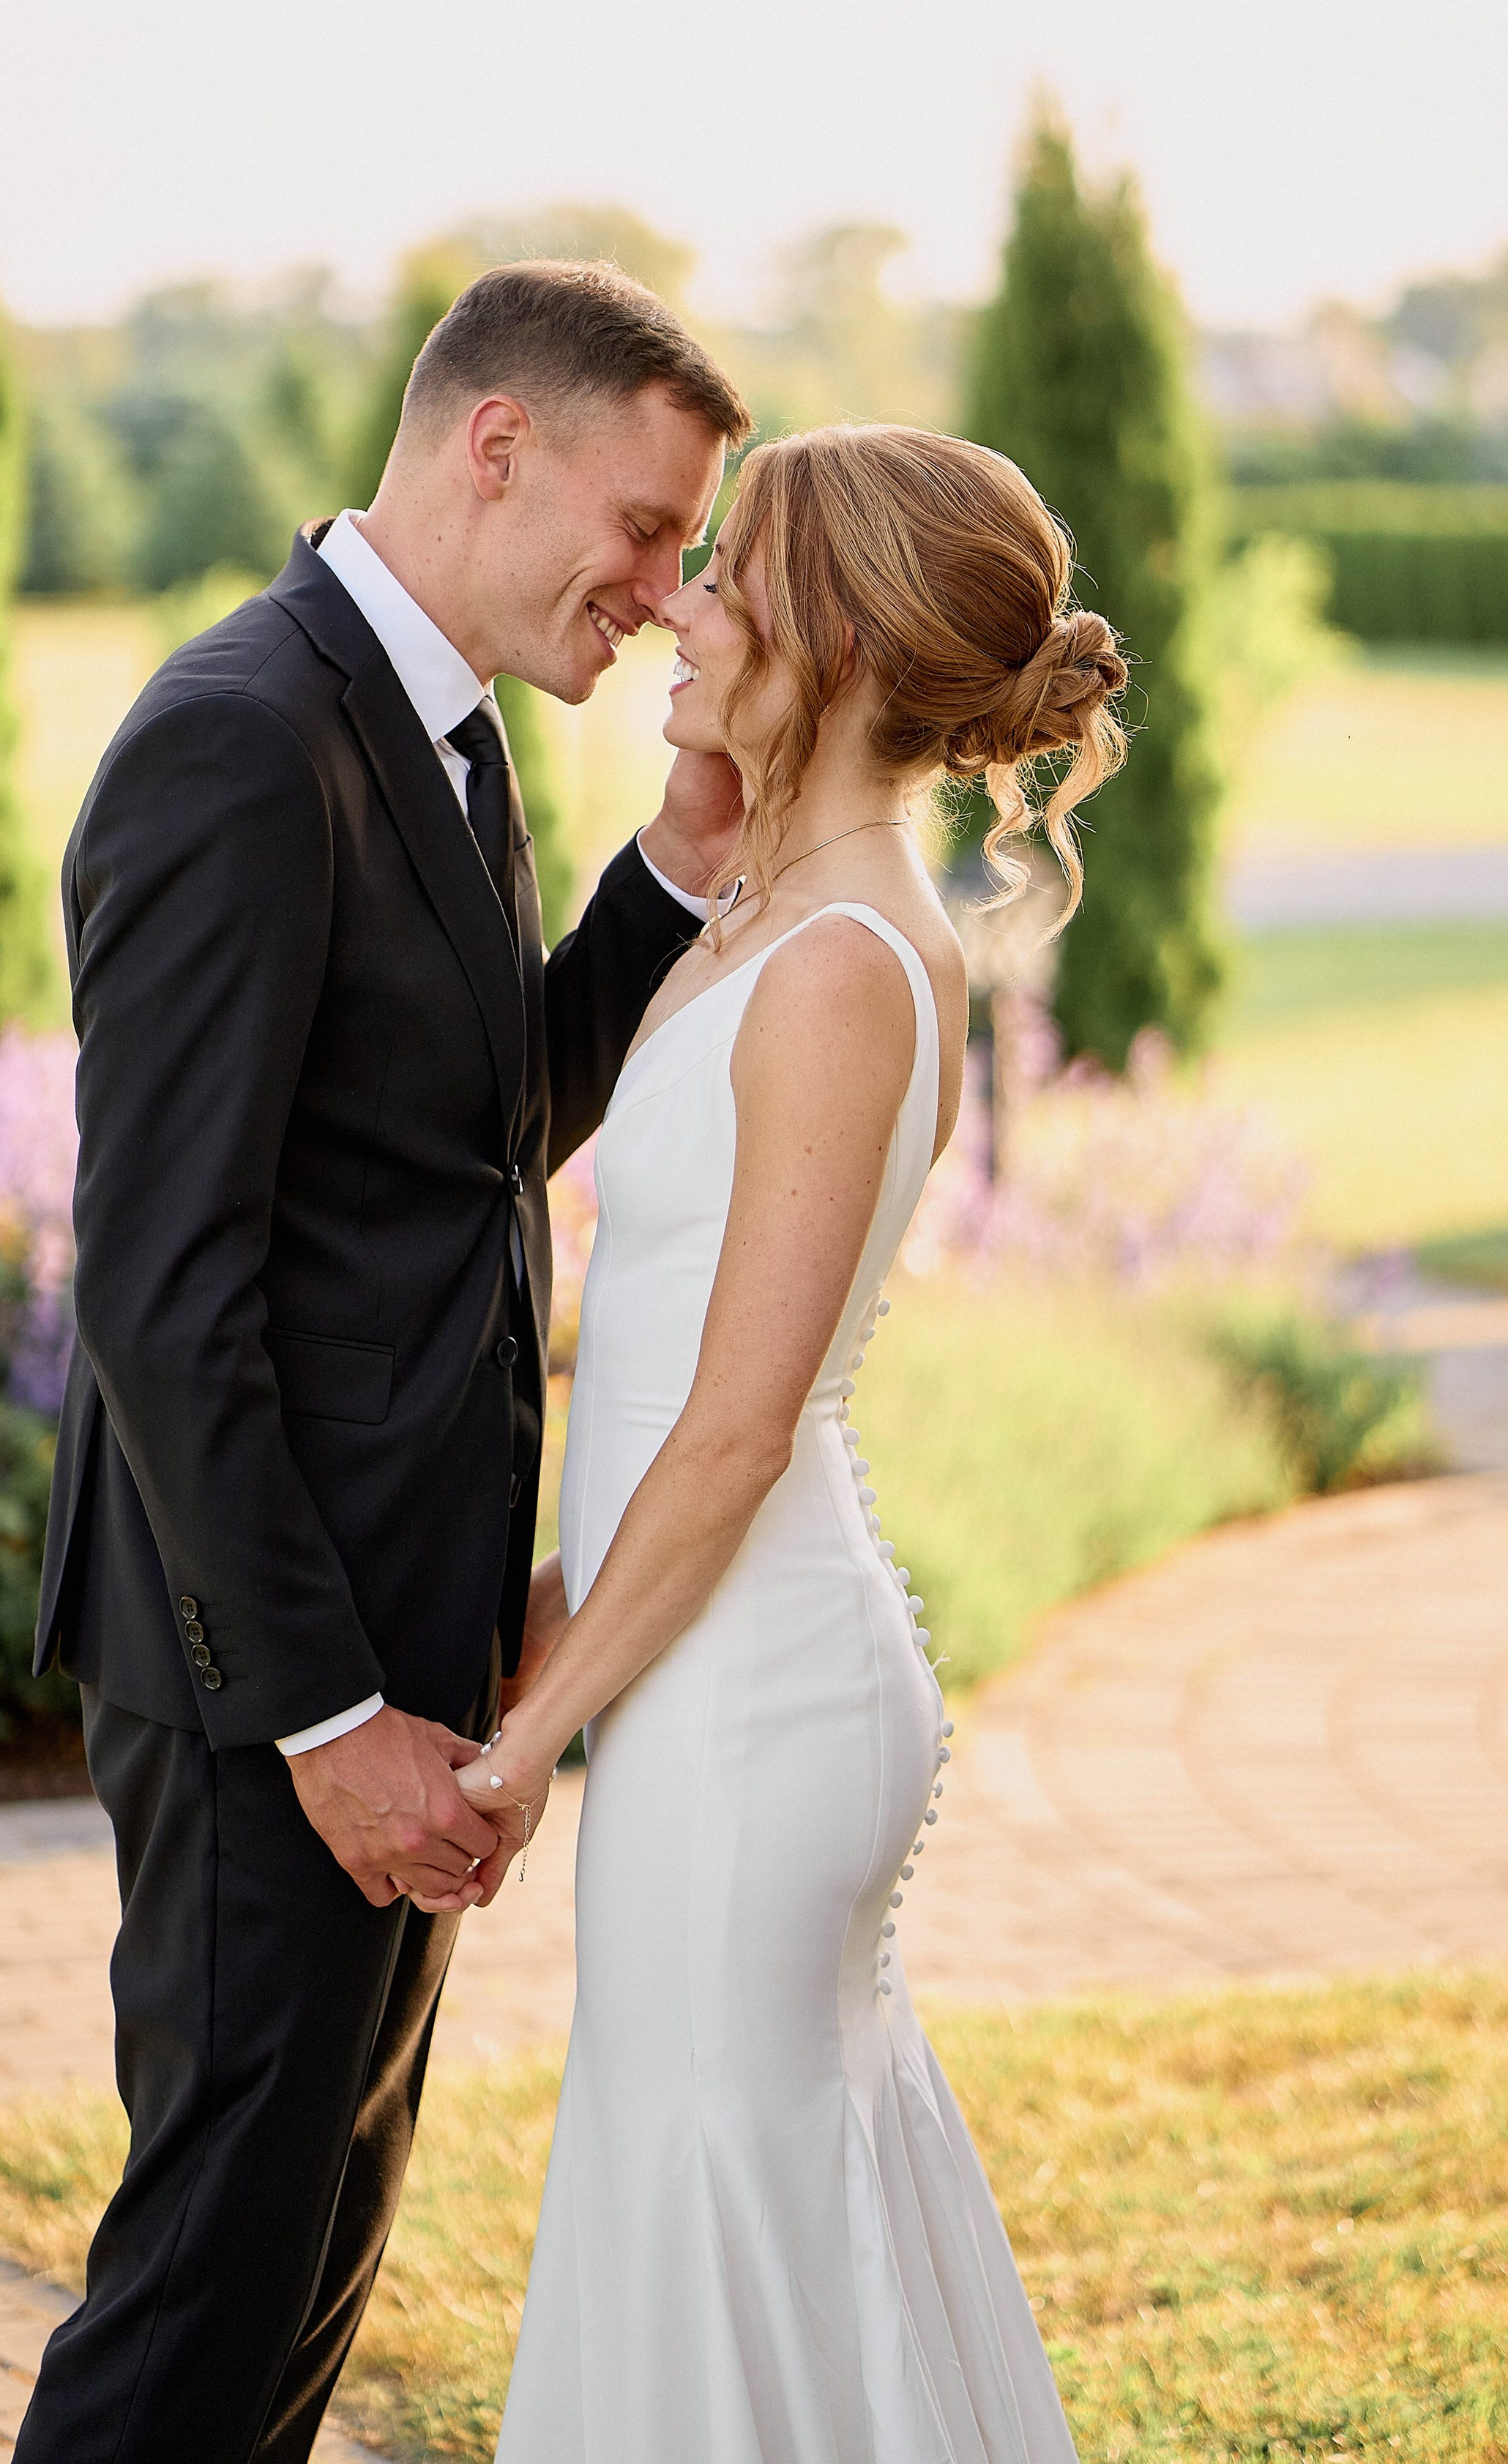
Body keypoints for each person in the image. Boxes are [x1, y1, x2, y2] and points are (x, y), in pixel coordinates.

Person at [12, 262, 753, 2464]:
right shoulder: (242, 737)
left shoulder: (444, 726)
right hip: (270, 1676)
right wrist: (331, 1720)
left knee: (308, 2276)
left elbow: (474, 1129)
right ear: (491, 442)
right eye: (643, 529)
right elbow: (162, 1283)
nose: (659, 592)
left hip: (389, 1655)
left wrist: (673, 874)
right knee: (198, 2305)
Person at [456, 422, 1128, 2463]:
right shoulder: (779, 917)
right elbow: (664, 1386)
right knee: (726, 2205)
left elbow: (737, 1430)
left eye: (727, 572)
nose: (678, 596)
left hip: (755, 1704)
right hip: (709, 1686)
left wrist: (513, 1744)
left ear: (830, 640)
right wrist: (547, 1638)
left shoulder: (841, 966)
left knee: (715, 2203)